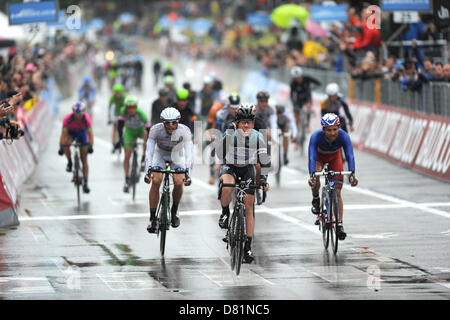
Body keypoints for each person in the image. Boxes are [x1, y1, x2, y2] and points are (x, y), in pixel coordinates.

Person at [216, 105, 271, 264]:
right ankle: (225, 212)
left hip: (247, 168)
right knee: (227, 186)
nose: (246, 126)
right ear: (237, 123)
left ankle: (247, 246)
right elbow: (219, 154)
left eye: (249, 122)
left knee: (248, 206)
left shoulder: (257, 137)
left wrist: (264, 179)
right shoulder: (230, 133)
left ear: (253, 124)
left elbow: (264, 160)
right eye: (242, 123)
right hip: (230, 166)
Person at [308, 113, 358, 241]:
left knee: (337, 191)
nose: (332, 133)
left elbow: (350, 156)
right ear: (323, 129)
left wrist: (352, 174)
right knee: (316, 178)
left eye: (335, 129)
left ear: (339, 128)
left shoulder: (344, 136)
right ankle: (315, 198)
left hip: (335, 158)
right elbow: (312, 157)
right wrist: (312, 175)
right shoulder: (316, 137)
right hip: (319, 158)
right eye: (329, 130)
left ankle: (339, 224)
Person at [145, 107, 193, 233]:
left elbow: (189, 154)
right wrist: (147, 171)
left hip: (177, 155)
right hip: (160, 154)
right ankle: (152, 217)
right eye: (167, 123)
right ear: (162, 122)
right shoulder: (155, 130)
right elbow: (149, 152)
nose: (171, 125)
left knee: (178, 181)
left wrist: (188, 174)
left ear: (178, 121)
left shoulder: (185, 131)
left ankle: (174, 210)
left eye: (174, 122)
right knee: (156, 181)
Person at [58, 102, 94, 194]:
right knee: (66, 143)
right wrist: (61, 146)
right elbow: (63, 135)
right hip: (71, 134)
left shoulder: (86, 119)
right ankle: (69, 162)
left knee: (84, 159)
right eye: (76, 114)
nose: (78, 116)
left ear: (83, 112)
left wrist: (90, 146)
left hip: (82, 135)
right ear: (73, 112)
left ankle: (85, 183)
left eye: (80, 114)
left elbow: (90, 134)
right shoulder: (67, 119)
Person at [117, 96, 151, 193]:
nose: (131, 109)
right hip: (129, 132)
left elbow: (148, 128)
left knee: (145, 134)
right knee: (127, 155)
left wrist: (149, 142)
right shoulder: (123, 111)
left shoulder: (141, 114)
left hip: (140, 131)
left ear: (136, 107)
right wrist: (120, 139)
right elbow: (120, 126)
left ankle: (144, 158)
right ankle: (127, 178)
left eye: (133, 107)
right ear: (126, 107)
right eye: (129, 107)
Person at [108, 84, 127, 153]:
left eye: (119, 93)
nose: (118, 94)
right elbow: (110, 109)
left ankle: (123, 141)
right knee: (115, 128)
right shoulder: (112, 98)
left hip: (123, 115)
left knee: (124, 128)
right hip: (115, 115)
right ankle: (113, 144)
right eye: (116, 93)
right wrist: (109, 118)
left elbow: (127, 108)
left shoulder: (125, 97)